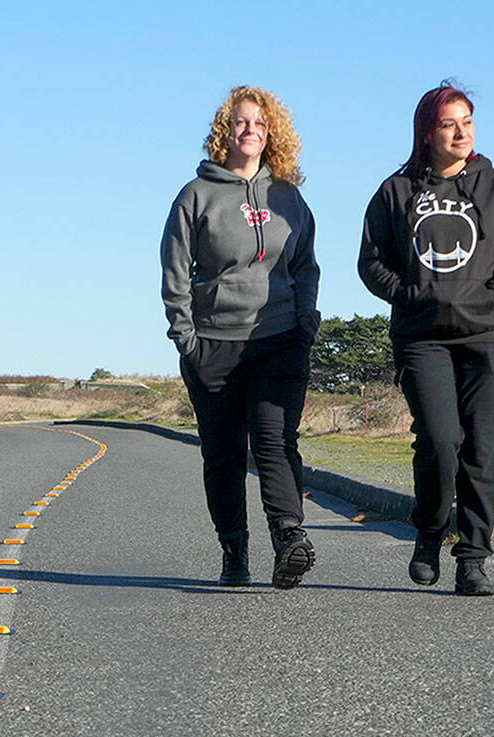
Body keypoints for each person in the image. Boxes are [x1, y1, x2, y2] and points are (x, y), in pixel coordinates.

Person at [358, 80, 494, 596]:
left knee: (481, 448)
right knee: (441, 442)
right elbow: (371, 261)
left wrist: (491, 298)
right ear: (427, 133)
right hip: (422, 339)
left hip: (487, 336)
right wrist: (410, 294)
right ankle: (429, 531)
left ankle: (473, 558)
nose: (460, 132)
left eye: (467, 121)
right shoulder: (396, 192)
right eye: (447, 123)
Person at [161, 85, 321, 589]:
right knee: (224, 453)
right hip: (213, 343)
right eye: (241, 122)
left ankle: (289, 538)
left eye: (259, 123)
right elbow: (174, 272)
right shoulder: (196, 195)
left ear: (271, 134)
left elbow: (306, 266)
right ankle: (234, 550)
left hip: (278, 338)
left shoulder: (289, 199)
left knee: (274, 440)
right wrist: (186, 337)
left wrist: (305, 322)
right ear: (224, 132)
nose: (250, 130)